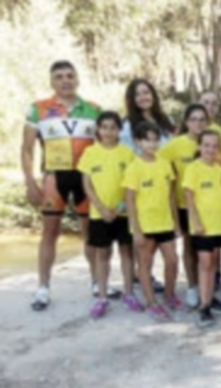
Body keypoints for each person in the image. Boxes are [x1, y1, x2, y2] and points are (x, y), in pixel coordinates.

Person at [23, 61, 105, 311]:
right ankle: (43, 287)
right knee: (50, 232)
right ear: (52, 82)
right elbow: (26, 149)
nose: (65, 80)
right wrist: (30, 182)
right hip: (53, 178)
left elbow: (105, 148)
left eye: (70, 75)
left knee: (90, 231)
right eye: (59, 76)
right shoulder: (38, 109)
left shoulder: (93, 109)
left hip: (85, 178)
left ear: (77, 79)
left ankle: (96, 282)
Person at [77, 111, 138, 318]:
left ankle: (129, 293)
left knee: (127, 253)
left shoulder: (127, 153)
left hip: (123, 213)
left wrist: (120, 207)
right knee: (102, 254)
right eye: (104, 127)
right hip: (98, 214)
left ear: (119, 130)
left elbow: (131, 183)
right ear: (98, 130)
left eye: (113, 127)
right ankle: (102, 297)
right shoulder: (90, 153)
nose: (108, 131)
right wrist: (101, 208)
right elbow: (87, 184)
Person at [123, 122, 182, 322]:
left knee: (172, 260)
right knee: (145, 265)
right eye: (147, 139)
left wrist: (176, 223)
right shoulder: (134, 167)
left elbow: (171, 195)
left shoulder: (164, 163)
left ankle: (169, 294)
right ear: (138, 142)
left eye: (155, 139)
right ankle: (151, 302)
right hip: (145, 224)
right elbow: (129, 199)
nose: (152, 144)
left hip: (164, 222)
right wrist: (136, 229)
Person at [157, 104, 209, 310]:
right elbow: (157, 164)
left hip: (209, 205)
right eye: (194, 119)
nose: (198, 123)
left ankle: (209, 287)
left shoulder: (211, 143)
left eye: (202, 119)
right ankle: (192, 287)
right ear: (186, 122)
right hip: (183, 203)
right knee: (189, 246)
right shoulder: (175, 145)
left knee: (208, 249)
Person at [183, 131, 221, 327]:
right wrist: (196, 221)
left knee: (214, 264)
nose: (210, 149)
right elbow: (189, 197)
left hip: (218, 224)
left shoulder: (219, 169)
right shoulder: (193, 168)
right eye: (206, 145)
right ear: (199, 146)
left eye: (214, 145)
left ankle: (210, 297)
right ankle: (204, 307)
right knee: (205, 264)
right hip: (202, 226)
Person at [120, 78, 175, 154]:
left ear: (153, 95)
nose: (143, 97)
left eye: (146, 93)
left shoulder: (167, 120)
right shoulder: (127, 127)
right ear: (132, 99)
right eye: (137, 95)